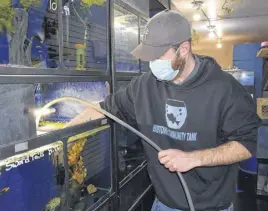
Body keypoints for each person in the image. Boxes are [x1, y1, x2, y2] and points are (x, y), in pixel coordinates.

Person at [69, 10, 261, 211]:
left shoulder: (225, 89)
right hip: (164, 204)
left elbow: (246, 144)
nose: (153, 64)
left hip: (211, 206)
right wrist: (65, 135)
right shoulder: (144, 87)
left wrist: (193, 158)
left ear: (184, 49)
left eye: (159, 55)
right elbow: (103, 109)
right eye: (150, 57)